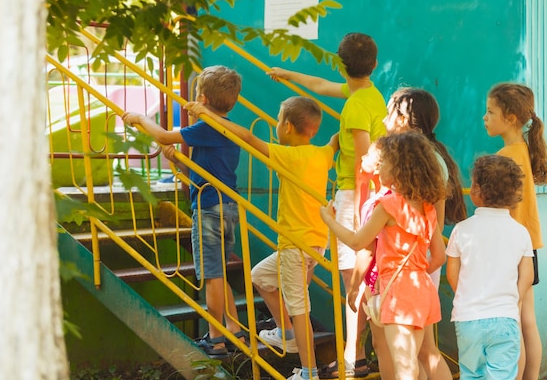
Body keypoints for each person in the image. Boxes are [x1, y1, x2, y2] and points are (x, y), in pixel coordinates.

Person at [186, 96, 338, 380]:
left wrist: (206, 114)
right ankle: (286, 332)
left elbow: (245, 136)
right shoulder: (321, 155)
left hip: (296, 245)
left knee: (300, 309)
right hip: (315, 241)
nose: (276, 124)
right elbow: (335, 141)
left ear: (289, 128)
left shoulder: (288, 155)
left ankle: (309, 372)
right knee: (260, 276)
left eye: (279, 120)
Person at [268, 32, 387, 378]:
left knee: (355, 281)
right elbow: (320, 85)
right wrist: (289, 75)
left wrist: (363, 204)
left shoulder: (354, 107)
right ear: (374, 65)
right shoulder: (371, 95)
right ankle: (358, 354)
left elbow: (363, 158)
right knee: (360, 279)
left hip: (355, 195)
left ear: (341, 63)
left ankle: (356, 357)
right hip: (361, 194)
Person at [122, 65, 245, 355]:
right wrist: (178, 162)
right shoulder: (228, 128)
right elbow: (209, 171)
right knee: (219, 275)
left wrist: (140, 118)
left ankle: (216, 338)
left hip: (209, 208)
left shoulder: (208, 126)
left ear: (201, 99)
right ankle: (235, 332)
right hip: (226, 206)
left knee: (212, 276)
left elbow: (164, 136)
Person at [350, 88, 466, 380]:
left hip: (403, 269)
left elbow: (365, 242)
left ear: (403, 117)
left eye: (389, 112)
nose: (385, 119)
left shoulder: (404, 166)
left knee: (399, 354)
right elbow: (434, 225)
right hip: (420, 263)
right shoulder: (431, 158)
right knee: (423, 351)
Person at [320, 131, 447, 380]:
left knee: (404, 366)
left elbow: (358, 243)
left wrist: (328, 220)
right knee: (420, 358)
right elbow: (440, 257)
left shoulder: (387, 206)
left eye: (386, 162)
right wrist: (415, 272)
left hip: (397, 293)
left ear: (400, 168)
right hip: (422, 289)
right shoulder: (427, 208)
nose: (381, 167)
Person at [483, 83, 547, 380]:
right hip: (527, 247)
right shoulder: (522, 150)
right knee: (527, 321)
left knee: (514, 322)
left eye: (490, 111)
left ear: (510, 118)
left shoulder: (505, 156)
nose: (484, 117)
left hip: (509, 250)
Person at [445, 155, 535, 380]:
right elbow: (527, 276)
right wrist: (513, 299)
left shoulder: (461, 230)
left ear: (476, 190)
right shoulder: (521, 232)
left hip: (468, 319)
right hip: (505, 317)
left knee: (472, 374)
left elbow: (452, 274)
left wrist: (467, 297)